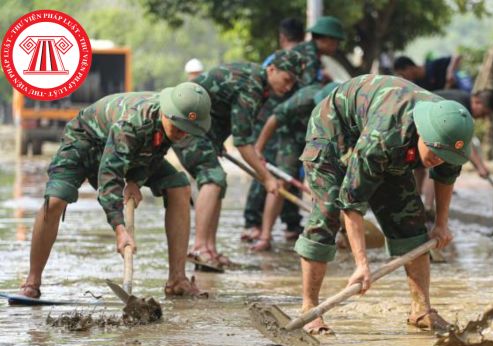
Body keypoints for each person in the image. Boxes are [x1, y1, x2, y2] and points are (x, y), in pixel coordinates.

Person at [294, 74, 474, 334]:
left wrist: (441, 225)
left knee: (410, 219)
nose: (437, 160)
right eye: (433, 152)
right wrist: (362, 264)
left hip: (388, 138)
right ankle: (309, 309)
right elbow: (351, 201)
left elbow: (445, 177)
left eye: (444, 156)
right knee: (328, 212)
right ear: (422, 133)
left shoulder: (452, 136)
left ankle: (421, 310)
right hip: (333, 130)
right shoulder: (385, 136)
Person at [15, 82, 211, 300]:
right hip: (85, 141)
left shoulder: (173, 121)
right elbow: (109, 177)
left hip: (128, 151)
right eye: (178, 127)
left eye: (188, 130)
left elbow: (155, 151)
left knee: (179, 186)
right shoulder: (133, 123)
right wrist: (120, 230)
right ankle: (32, 281)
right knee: (55, 201)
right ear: (167, 113)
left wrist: (136, 180)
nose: (182, 134)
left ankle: (177, 279)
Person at [175, 50, 304, 267]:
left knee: (218, 181)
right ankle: (199, 248)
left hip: (204, 132)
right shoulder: (252, 84)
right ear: (272, 70)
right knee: (213, 178)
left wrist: (256, 158)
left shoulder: (261, 86)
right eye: (286, 80)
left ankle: (210, 250)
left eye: (293, 83)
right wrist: (267, 178)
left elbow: (237, 127)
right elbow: (242, 143)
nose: (288, 87)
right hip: (184, 126)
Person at [251, 82, 339, 251]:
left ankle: (335, 233)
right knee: (283, 180)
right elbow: (274, 119)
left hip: (319, 139)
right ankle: (265, 235)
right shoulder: (304, 99)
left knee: (329, 182)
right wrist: (258, 149)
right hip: (291, 136)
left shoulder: (344, 107)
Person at [241, 17, 305, 243]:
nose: (287, 85)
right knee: (267, 170)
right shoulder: (276, 64)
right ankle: (258, 225)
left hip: (285, 126)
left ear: (282, 37)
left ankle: (277, 224)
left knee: (279, 173)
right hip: (272, 122)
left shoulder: (298, 62)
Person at [416, 89, 493, 216]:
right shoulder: (459, 108)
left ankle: (416, 205)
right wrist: (480, 167)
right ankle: (427, 209)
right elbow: (462, 143)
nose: (482, 118)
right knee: (437, 162)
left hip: (422, 126)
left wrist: (480, 165)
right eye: (484, 113)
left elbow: (464, 143)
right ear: (477, 102)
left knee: (422, 164)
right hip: (420, 122)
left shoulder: (461, 100)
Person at [293, 16, 345, 86]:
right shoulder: (309, 55)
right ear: (325, 39)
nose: (337, 46)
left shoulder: (312, 53)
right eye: (337, 42)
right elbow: (309, 88)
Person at [393, 55, 464, 92]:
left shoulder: (433, 66)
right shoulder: (418, 86)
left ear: (408, 68)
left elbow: (457, 57)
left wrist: (450, 71)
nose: (403, 77)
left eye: (403, 74)